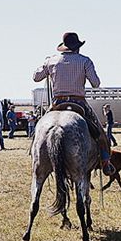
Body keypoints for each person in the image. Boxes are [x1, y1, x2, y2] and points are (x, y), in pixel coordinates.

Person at [32, 32, 115, 176]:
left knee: (40, 130)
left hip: (58, 103)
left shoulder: (51, 61)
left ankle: (35, 155)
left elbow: (36, 77)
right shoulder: (85, 61)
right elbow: (96, 83)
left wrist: (46, 64)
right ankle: (106, 162)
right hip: (79, 103)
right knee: (100, 133)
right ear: (78, 47)